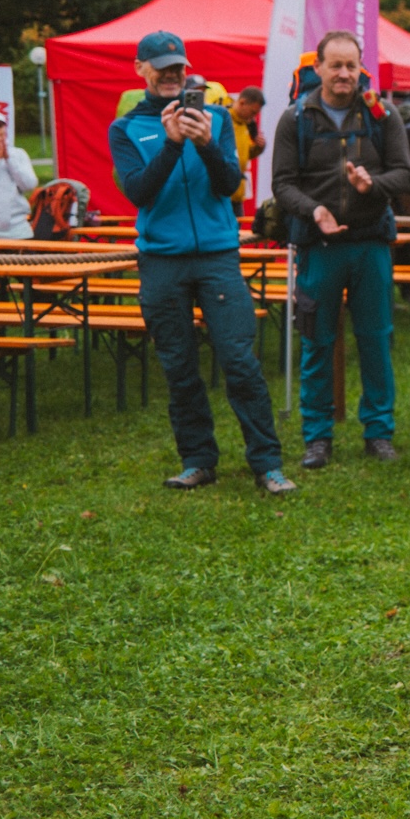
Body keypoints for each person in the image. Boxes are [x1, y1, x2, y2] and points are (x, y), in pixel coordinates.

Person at [108, 31, 292, 494]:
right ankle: (197, 460)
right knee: (178, 365)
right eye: (162, 68)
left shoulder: (218, 118)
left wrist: (207, 143)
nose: (172, 75)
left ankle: (267, 464)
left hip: (216, 256)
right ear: (141, 69)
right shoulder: (125, 129)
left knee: (239, 360)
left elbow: (229, 184)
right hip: (162, 260)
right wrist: (171, 145)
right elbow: (139, 192)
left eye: (178, 67)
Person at [271, 30, 410, 468]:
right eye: (335, 65)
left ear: (360, 67)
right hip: (319, 246)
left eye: (352, 65)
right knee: (317, 342)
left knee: (375, 340)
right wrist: (313, 211)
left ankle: (379, 432)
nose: (344, 74)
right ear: (318, 67)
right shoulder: (295, 119)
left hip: (370, 243)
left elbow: (405, 175)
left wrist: (373, 185)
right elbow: (282, 184)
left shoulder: (382, 114)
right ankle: (317, 437)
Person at [229, 88, 266, 211]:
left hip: (237, 193)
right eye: (252, 112)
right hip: (223, 194)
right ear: (242, 103)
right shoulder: (225, 120)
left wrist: (259, 147)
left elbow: (246, 154)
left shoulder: (246, 124)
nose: (253, 117)